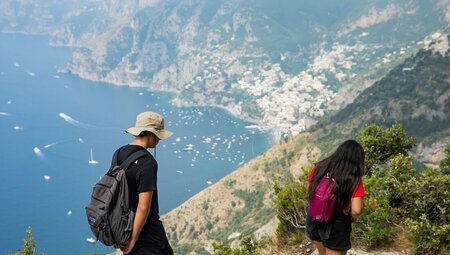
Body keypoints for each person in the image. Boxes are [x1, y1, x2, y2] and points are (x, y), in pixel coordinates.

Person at [113, 111, 174, 255]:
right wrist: (133, 239)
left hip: (123, 228)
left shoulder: (118, 153)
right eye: (158, 135)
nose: (159, 140)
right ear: (151, 133)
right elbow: (143, 207)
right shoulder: (148, 163)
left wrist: (121, 235)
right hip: (148, 236)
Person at [306, 140, 365, 255]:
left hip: (314, 217)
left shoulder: (320, 166)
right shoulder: (353, 178)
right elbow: (357, 210)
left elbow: (309, 188)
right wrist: (351, 214)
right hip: (337, 224)